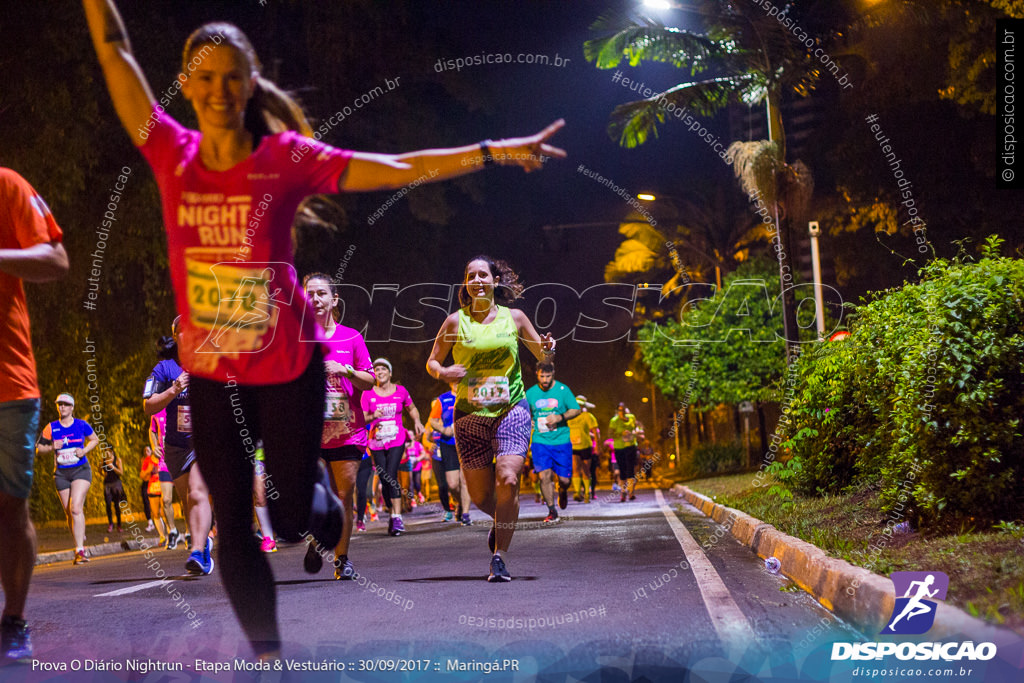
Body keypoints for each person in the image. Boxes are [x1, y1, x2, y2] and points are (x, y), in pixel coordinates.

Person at [84, 0, 564, 657]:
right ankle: (268, 657)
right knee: (232, 519)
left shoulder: (283, 156)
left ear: (251, 84)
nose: (220, 90)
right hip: (212, 372)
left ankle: (326, 512)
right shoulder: (171, 150)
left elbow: (396, 168)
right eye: (206, 77)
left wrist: (493, 151)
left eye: (233, 77)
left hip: (288, 366)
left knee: (287, 519)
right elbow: (115, 48)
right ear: (186, 85)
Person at [426, 256, 556, 582]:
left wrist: (548, 348)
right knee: (483, 497)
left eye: (483, 275)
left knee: (508, 480)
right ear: (466, 284)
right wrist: (443, 372)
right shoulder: (456, 322)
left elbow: (542, 354)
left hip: (511, 408)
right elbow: (432, 362)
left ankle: (500, 556)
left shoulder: (515, 318)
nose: (478, 280)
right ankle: (502, 519)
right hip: (469, 415)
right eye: (471, 276)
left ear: (495, 281)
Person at [0, 167, 68, 662]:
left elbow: (55, 258)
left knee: (9, 509)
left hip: (8, 383)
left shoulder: (7, 184)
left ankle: (14, 620)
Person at [302, 273, 374, 579]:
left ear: (334, 300)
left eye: (321, 294)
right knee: (315, 495)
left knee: (344, 495)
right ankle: (318, 537)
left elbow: (369, 380)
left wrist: (344, 369)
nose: (315, 299)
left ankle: (342, 559)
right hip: (309, 432)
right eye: (309, 294)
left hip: (348, 430)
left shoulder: (351, 338)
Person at [143, 321, 214, 573]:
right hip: (175, 446)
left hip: (203, 443)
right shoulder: (165, 368)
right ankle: (202, 542)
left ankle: (197, 553)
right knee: (187, 502)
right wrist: (175, 388)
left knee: (196, 492)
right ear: (175, 335)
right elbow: (148, 406)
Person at [361, 359, 424, 536]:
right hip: (376, 442)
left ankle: (397, 517)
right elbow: (362, 418)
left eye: (383, 369)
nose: (379, 371)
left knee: (390, 474)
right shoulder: (367, 394)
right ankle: (391, 510)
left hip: (397, 439)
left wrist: (417, 421)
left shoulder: (401, 391)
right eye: (376, 369)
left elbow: (412, 408)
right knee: (384, 477)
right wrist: (373, 415)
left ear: (390, 373)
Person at [36, 394, 98, 565]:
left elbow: (95, 439)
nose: (62, 407)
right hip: (61, 475)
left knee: (76, 508)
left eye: (65, 404)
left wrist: (84, 451)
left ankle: (80, 551)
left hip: (81, 471)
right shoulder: (52, 427)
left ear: (72, 407)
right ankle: (79, 529)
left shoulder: (81, 424)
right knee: (68, 512)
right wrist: (51, 447)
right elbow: (38, 449)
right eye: (59, 404)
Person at [525, 362, 580, 523]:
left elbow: (576, 409)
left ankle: (562, 490)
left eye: (548, 376)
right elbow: (522, 411)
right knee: (544, 476)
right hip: (540, 441)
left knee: (564, 480)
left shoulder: (563, 390)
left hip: (561, 440)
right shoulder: (530, 393)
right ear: (537, 374)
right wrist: (529, 420)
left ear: (553, 374)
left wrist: (560, 417)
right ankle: (551, 510)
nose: (545, 380)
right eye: (542, 376)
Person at [428, 384, 471, 523]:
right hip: (448, 444)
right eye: (453, 380)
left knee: (464, 480)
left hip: (467, 443)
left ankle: (465, 514)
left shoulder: (471, 395)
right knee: (453, 484)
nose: (456, 383)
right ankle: (459, 502)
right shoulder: (443, 399)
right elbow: (432, 421)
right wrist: (443, 429)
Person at [147, 406, 181, 548]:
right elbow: (152, 430)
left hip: (182, 459)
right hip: (165, 462)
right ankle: (172, 531)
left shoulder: (182, 405)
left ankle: (192, 533)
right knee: (166, 500)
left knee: (187, 499)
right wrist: (154, 445)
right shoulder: (157, 411)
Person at [568, 395, 599, 503]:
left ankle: (587, 492)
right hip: (573, 446)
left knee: (586, 470)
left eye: (580, 405)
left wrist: (597, 447)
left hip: (586, 446)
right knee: (575, 468)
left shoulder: (587, 416)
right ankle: (577, 492)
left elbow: (595, 431)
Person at [609, 403, 639, 502]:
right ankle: (623, 491)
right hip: (619, 447)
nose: (621, 411)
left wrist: (634, 433)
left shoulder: (632, 417)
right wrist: (620, 433)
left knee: (631, 469)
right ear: (617, 411)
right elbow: (610, 434)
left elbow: (636, 428)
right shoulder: (614, 421)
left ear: (626, 410)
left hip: (631, 446)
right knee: (622, 469)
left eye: (623, 409)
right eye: (620, 410)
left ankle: (631, 492)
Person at [101, 449, 126, 532]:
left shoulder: (117, 459)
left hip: (116, 484)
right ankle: (110, 524)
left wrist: (113, 467)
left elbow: (121, 473)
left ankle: (119, 525)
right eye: (105, 451)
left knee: (116, 505)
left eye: (108, 451)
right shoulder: (104, 460)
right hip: (107, 485)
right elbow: (100, 470)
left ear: (112, 451)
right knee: (108, 505)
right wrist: (102, 470)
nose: (106, 453)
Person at [138, 446, 155, 532]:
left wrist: (144, 473)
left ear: (151, 451)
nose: (146, 452)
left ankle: (157, 522)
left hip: (152, 482)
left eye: (148, 450)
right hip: (145, 483)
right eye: (145, 450)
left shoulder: (153, 459)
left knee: (153, 503)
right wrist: (144, 473)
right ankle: (150, 522)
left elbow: (150, 470)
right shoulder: (143, 460)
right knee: (146, 503)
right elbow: (141, 474)